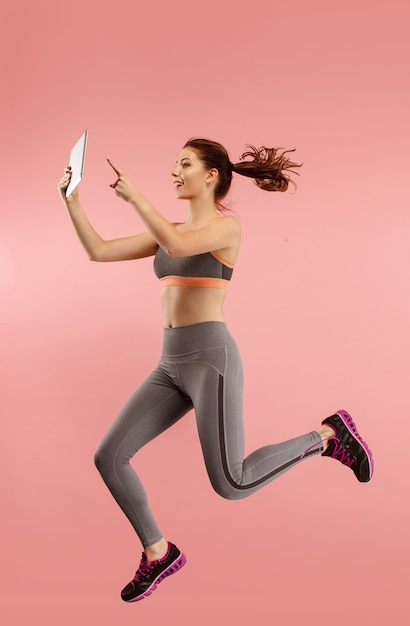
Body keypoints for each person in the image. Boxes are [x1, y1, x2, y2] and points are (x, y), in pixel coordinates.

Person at [58, 138, 374, 603]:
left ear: (210, 176)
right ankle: (157, 552)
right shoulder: (170, 229)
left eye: (184, 163)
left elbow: (180, 242)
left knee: (233, 483)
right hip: (169, 364)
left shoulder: (225, 230)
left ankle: (327, 437)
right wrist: (73, 200)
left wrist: (136, 197)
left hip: (210, 358)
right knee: (109, 456)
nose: (175, 170)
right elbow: (100, 251)